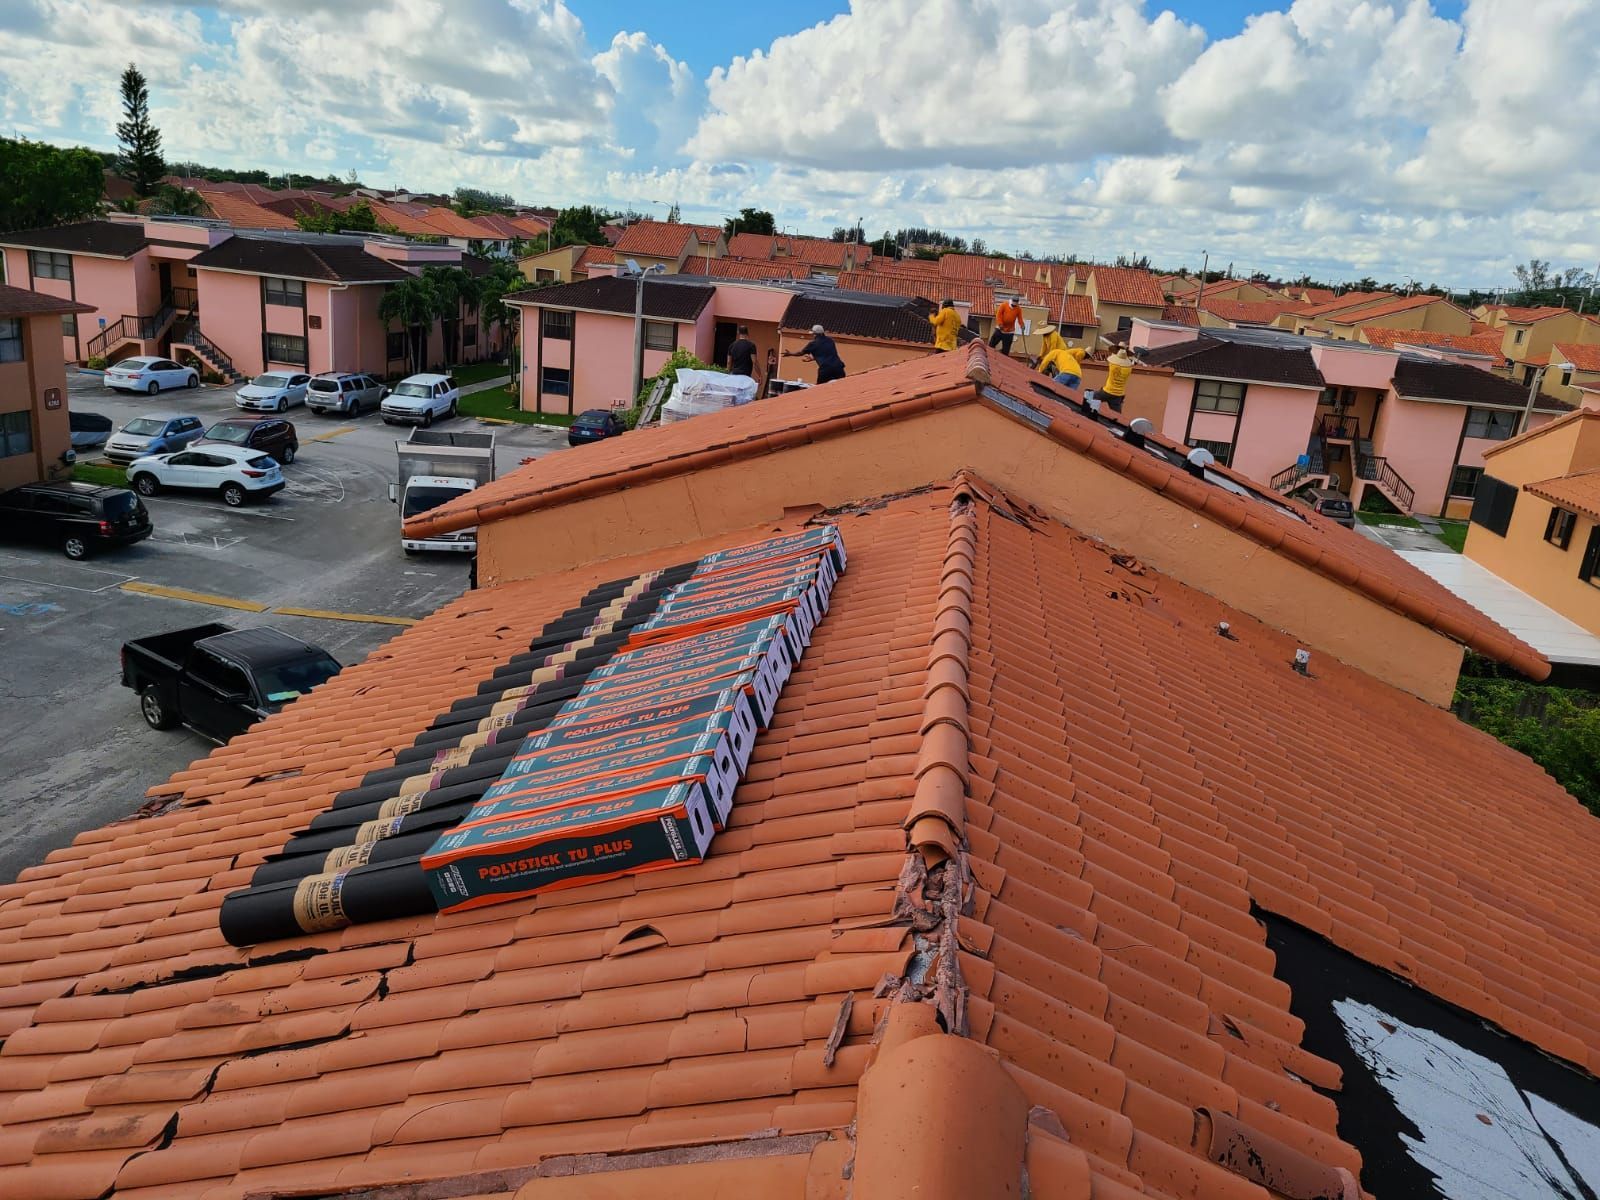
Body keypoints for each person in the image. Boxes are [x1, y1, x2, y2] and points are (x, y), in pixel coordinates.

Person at [1096, 346, 1136, 412]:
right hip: (1118, 395)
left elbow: (1111, 360)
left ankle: (1092, 413)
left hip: (1107, 391)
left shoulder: (1113, 366)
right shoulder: (1129, 369)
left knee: (1090, 397)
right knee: (1117, 415)